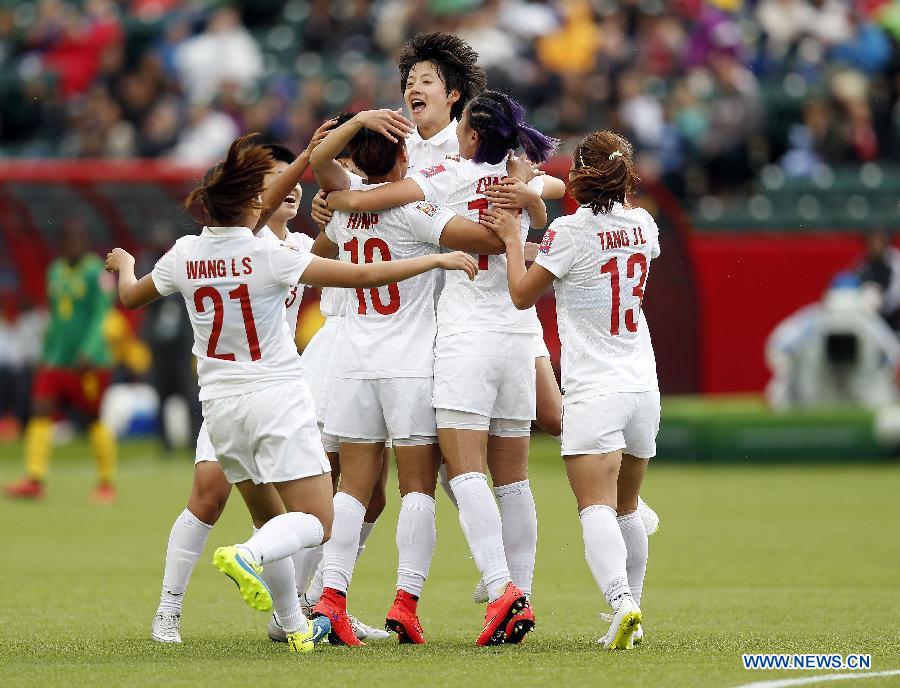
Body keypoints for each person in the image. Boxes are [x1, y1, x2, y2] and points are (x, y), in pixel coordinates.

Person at [107, 134, 478, 653]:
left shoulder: (184, 255)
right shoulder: (270, 256)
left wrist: (125, 262)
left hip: (219, 406)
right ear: (251, 204)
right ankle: (249, 559)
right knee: (318, 521)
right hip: (276, 398)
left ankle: (291, 621)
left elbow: (129, 295)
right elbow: (366, 274)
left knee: (273, 517)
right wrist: (433, 261)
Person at [327, 90, 557, 645]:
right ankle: (519, 592)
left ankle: (497, 591)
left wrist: (338, 193)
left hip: (458, 341)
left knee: (461, 472)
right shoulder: (519, 177)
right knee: (515, 481)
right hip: (516, 340)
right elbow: (557, 187)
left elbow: (368, 204)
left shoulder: (446, 177)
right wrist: (527, 206)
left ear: (471, 137)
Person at [480, 130, 659, 650]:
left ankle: (621, 601)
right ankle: (635, 611)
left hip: (595, 390)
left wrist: (514, 240)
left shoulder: (569, 232)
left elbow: (520, 293)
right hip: (643, 387)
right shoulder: (645, 225)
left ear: (580, 174)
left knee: (595, 506)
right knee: (628, 507)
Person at [4, 220, 118, 504]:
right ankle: (34, 479)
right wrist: (45, 352)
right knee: (40, 409)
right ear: (60, 243)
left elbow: (101, 315)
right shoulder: (54, 271)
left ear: (86, 242)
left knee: (93, 419)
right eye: (68, 240)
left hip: (89, 362)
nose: (73, 245)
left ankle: (106, 483)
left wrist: (89, 350)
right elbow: (56, 317)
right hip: (57, 360)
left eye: (78, 239)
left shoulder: (98, 273)